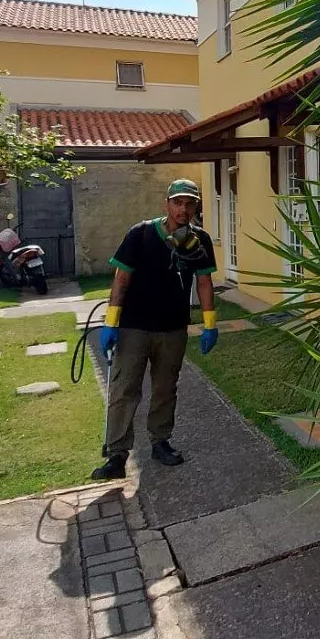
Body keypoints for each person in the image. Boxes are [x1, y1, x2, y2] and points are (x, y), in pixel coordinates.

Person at [90, 178, 220, 481]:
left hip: (173, 328)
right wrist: (110, 323)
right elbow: (121, 279)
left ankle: (160, 442)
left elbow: (204, 283)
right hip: (134, 327)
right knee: (124, 389)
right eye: (178, 202)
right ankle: (117, 454)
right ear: (167, 204)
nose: (183, 209)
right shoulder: (141, 234)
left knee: (165, 388)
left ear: (196, 207)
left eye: (190, 204)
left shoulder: (199, 240)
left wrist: (210, 325)